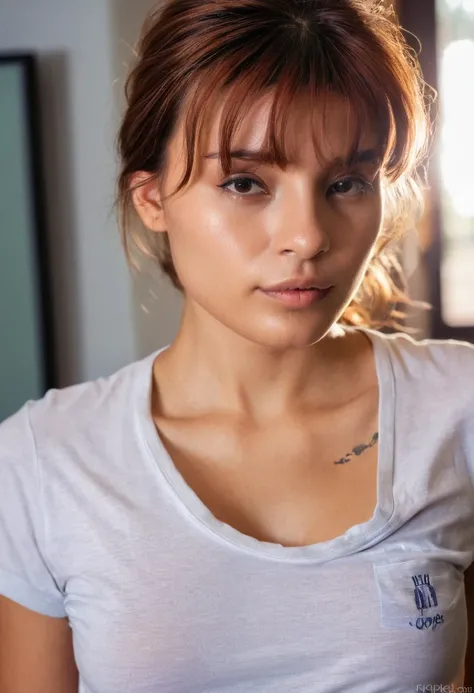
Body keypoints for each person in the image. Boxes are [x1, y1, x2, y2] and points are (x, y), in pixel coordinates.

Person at [1, 0, 473, 691]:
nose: (307, 236)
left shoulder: (457, 409)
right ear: (152, 197)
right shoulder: (45, 462)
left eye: (346, 182)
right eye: (246, 182)